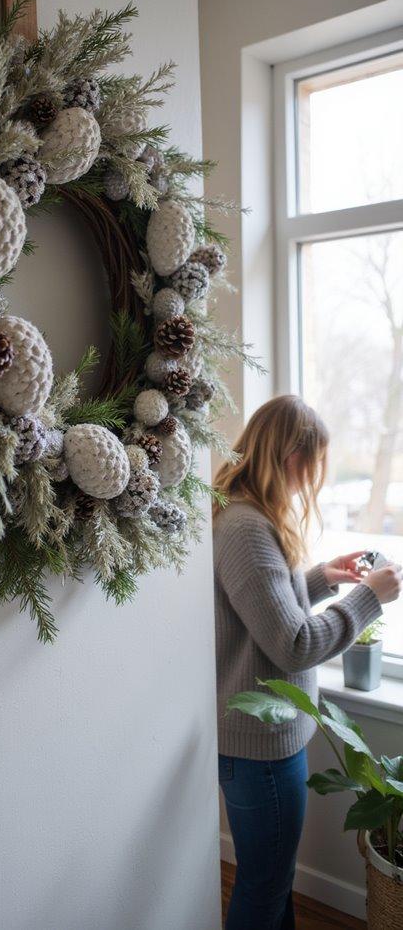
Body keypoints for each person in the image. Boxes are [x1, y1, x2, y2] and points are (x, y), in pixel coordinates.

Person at [213, 395, 401, 930]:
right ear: (290, 454)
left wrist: (321, 578)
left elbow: (260, 607)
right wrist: (368, 597)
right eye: (312, 462)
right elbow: (294, 644)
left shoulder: (243, 511)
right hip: (260, 752)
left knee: (270, 881)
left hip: (260, 745)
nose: (311, 478)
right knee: (263, 885)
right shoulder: (247, 527)